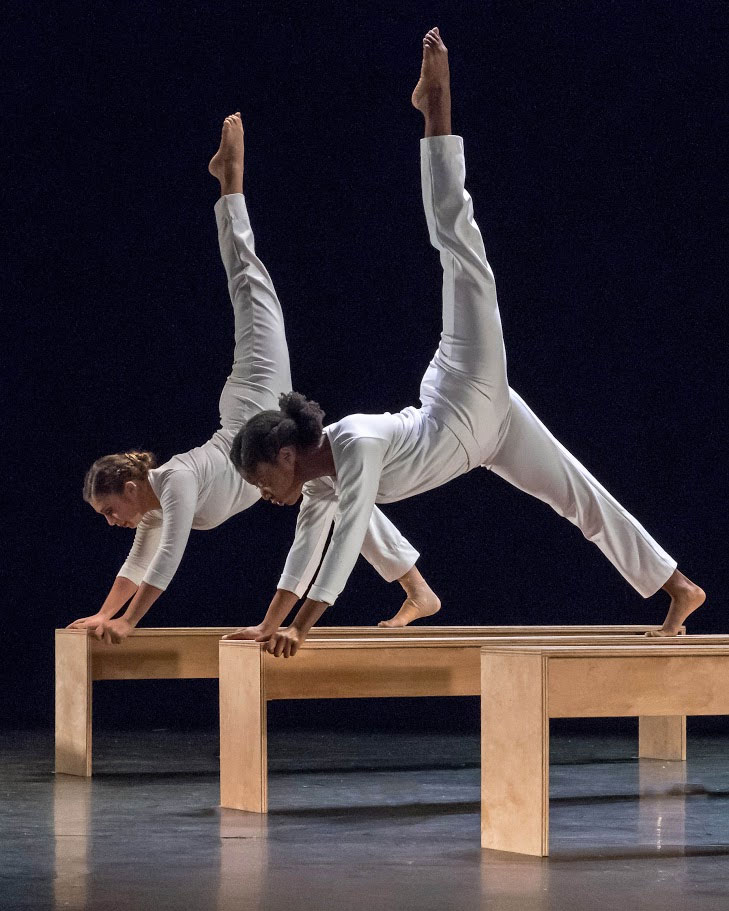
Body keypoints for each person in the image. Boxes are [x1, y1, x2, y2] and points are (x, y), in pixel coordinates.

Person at [228, 28, 705, 658]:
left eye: (259, 477)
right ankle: (679, 586)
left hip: (465, 392)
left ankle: (438, 112)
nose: (260, 492)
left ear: (286, 454)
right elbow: (308, 544)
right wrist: (272, 623)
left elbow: (343, 549)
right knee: (577, 494)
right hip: (488, 434)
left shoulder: (355, 442)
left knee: (461, 252)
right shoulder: (320, 484)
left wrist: (303, 628)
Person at [70, 112, 440, 645]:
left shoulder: (173, 483)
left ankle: (231, 183)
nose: (112, 522)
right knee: (332, 487)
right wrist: (104, 613)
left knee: (250, 287)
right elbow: (139, 562)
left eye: (109, 510)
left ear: (130, 488)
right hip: (253, 426)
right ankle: (417, 589)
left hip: (255, 398)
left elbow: (170, 553)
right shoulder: (151, 510)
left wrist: (127, 622)